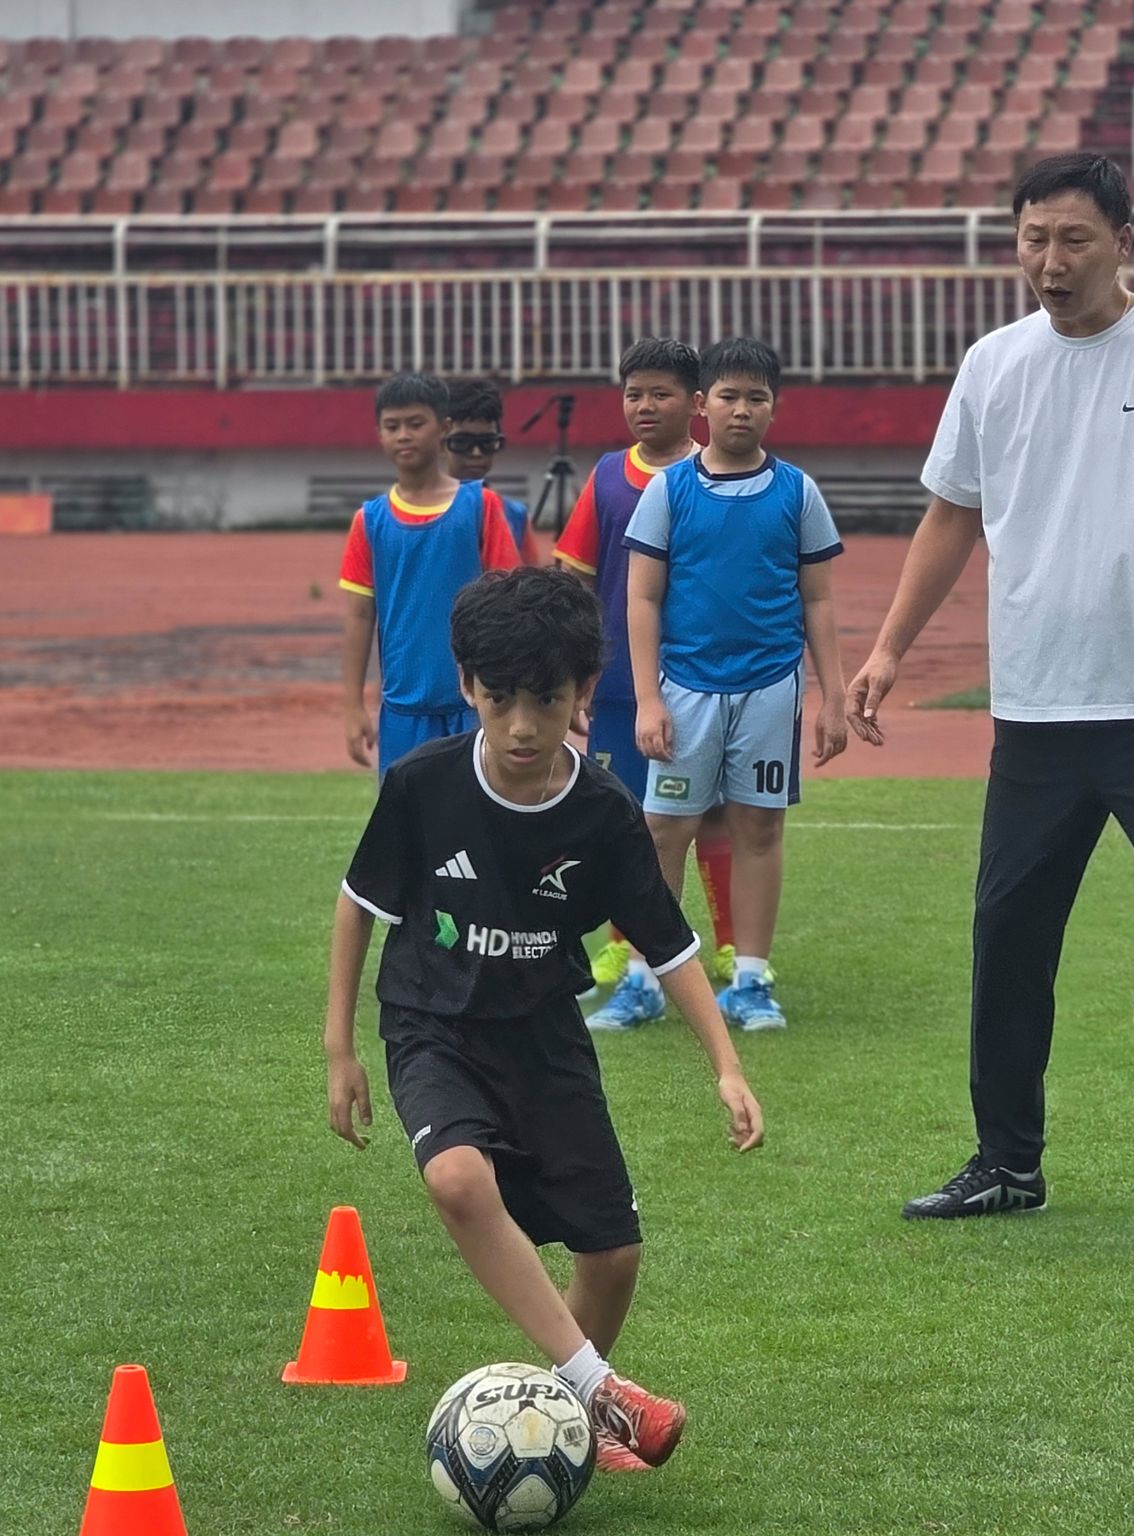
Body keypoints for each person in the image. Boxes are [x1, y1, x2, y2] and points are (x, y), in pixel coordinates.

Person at [846, 153, 1134, 1248]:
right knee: (1008, 936)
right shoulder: (993, 365)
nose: (1048, 260)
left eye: (1072, 239)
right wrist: (889, 649)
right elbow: (949, 516)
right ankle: (1006, 1162)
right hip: (1033, 709)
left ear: (1124, 239)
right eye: (1032, 238)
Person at [324, 566, 764, 1473]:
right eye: (502, 700)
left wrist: (724, 1063)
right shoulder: (422, 785)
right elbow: (358, 903)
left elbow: (671, 945)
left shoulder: (602, 812)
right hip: (432, 1022)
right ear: (469, 687)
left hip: (544, 1039)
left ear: (580, 696)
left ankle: (563, 1421)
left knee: (613, 1255)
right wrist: (339, 1045)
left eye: (547, 700)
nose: (523, 725)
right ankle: (605, 1393)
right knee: (455, 1179)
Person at [624, 336, 850, 1033]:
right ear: (702, 405)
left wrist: (832, 699)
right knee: (664, 831)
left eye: (757, 398)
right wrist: (647, 698)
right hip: (686, 686)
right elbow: (642, 599)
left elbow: (817, 601)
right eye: (729, 395)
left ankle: (750, 981)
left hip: (769, 688)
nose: (742, 409)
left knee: (758, 826)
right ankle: (646, 978)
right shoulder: (669, 490)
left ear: (775, 409)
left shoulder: (797, 491)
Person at [553, 339, 741, 1027]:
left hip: (701, 677)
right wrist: (574, 675)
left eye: (659, 393)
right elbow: (574, 574)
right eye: (633, 393)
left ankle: (724, 943)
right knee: (621, 816)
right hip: (616, 687)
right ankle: (625, 946)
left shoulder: (718, 474)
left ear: (693, 402)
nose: (644, 405)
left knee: (712, 812)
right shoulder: (606, 477)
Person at [340, 372, 522, 775]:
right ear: (380, 434)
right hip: (403, 707)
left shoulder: (481, 507)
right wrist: (353, 706)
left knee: (480, 819)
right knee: (410, 827)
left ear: (443, 428)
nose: (404, 435)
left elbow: (511, 602)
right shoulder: (369, 521)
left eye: (415, 423)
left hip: (477, 703)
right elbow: (358, 616)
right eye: (392, 426)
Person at [442, 378, 531, 558]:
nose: (476, 453)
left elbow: (530, 575)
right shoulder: (416, 510)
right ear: (439, 441)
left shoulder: (515, 514)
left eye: (487, 442)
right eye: (462, 442)